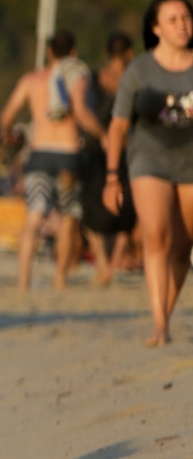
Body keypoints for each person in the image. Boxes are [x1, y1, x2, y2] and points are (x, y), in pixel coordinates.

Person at [103, 0, 193, 345]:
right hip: (148, 159)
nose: (182, 25)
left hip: (190, 161)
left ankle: (164, 313)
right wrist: (112, 178)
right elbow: (118, 127)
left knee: (183, 247)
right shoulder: (139, 70)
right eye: (173, 20)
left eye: (186, 17)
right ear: (156, 28)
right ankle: (159, 325)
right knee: (156, 235)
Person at [0, 30, 101, 291]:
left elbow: (6, 116)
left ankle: (24, 280)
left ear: (48, 52)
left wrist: (9, 136)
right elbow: (81, 112)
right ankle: (60, 279)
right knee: (68, 217)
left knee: (34, 216)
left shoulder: (31, 80)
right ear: (74, 53)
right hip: (69, 154)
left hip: (40, 153)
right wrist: (104, 135)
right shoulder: (76, 78)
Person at [83, 31, 139, 286]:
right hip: (127, 151)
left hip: (97, 150)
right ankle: (114, 264)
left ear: (107, 52)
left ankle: (104, 265)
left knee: (92, 210)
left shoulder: (94, 78)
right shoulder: (135, 79)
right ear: (129, 53)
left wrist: (101, 135)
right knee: (127, 213)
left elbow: (81, 110)